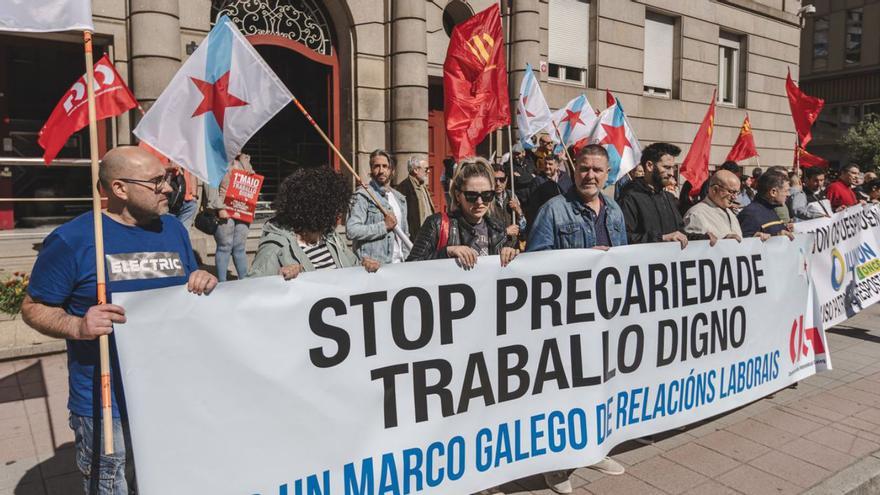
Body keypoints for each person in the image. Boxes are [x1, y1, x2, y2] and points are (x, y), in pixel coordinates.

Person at [20, 146, 218, 494]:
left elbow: (188, 287)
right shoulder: (74, 240)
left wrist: (202, 280)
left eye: (168, 180)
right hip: (107, 404)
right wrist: (77, 326)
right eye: (157, 182)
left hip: (168, 394)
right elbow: (33, 307)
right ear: (119, 189)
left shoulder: (173, 230)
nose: (169, 190)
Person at [526, 146, 629, 492]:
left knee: (596, 387)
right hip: (564, 318)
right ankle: (556, 466)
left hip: (602, 317)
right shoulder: (553, 211)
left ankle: (593, 449)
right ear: (574, 170)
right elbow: (534, 265)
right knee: (562, 394)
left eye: (598, 170)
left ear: (608, 173)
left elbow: (624, 258)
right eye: (584, 168)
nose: (591, 176)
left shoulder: (613, 209)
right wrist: (583, 258)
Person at [249, 167, 379, 278]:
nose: (339, 215)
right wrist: (278, 278)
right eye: (333, 210)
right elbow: (252, 291)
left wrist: (364, 265)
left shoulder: (332, 238)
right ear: (315, 210)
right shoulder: (276, 247)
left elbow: (352, 265)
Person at [407, 157, 517, 268]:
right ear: (458, 195)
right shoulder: (436, 224)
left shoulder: (497, 228)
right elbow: (411, 266)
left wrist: (509, 254)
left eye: (486, 195)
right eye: (471, 196)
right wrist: (447, 252)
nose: (479, 202)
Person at [346, 149, 410, 263]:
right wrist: (383, 226)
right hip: (375, 267)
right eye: (376, 166)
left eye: (385, 166)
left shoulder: (400, 199)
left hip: (400, 264)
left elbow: (405, 234)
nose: (381, 171)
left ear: (392, 170)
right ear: (371, 169)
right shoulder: (363, 196)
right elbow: (352, 230)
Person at [619, 142, 688, 248]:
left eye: (672, 168)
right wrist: (661, 238)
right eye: (666, 167)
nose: (671, 173)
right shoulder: (629, 197)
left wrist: (704, 238)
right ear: (649, 166)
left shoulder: (668, 198)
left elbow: (681, 233)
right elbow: (623, 238)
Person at [205, 153, 254, 281]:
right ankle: (222, 282)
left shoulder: (243, 162)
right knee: (225, 245)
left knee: (240, 246)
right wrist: (219, 207)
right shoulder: (216, 162)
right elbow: (211, 184)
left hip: (243, 208)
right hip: (224, 207)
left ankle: (243, 280)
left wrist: (245, 161)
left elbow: (253, 181)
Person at [683, 170, 744, 242]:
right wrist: (724, 243)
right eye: (731, 192)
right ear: (715, 189)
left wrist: (753, 242)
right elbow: (694, 248)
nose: (735, 197)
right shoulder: (696, 214)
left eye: (737, 193)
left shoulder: (730, 213)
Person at [737, 171, 794, 238]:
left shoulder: (770, 209)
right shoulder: (751, 214)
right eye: (786, 191)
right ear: (773, 192)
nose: (788, 194)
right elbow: (745, 244)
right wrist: (776, 238)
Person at [395, 155, 435, 239]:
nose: (428, 172)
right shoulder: (403, 188)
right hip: (415, 237)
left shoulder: (423, 186)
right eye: (426, 169)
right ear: (416, 170)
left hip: (428, 235)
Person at [525, 154, 574, 224]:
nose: (547, 166)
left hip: (565, 217)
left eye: (550, 164)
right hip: (547, 219)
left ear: (557, 166)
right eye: (545, 163)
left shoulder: (565, 178)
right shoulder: (538, 181)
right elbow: (534, 205)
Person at [491, 162, 526, 238]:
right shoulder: (486, 199)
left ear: (506, 180)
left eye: (502, 179)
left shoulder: (512, 196)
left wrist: (519, 211)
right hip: (497, 246)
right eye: (495, 180)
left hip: (513, 246)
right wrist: (506, 232)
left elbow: (523, 228)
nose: (498, 183)